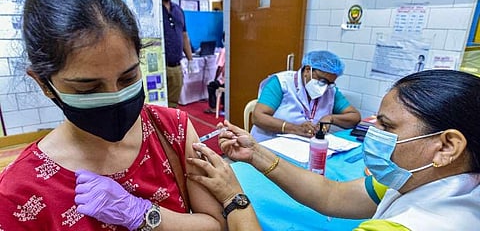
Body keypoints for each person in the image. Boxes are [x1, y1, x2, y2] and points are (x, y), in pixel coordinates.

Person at [0, 0, 226, 230]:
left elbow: (216, 225)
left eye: (128, 78)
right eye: (88, 88)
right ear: (44, 84)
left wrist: (143, 215)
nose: (115, 96)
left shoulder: (171, 130)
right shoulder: (20, 191)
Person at [188, 69, 480, 230]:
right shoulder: (419, 179)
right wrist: (255, 153)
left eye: (387, 126)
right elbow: (333, 195)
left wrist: (233, 198)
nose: (371, 131)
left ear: (447, 146)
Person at [250, 50, 361, 142]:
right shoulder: (281, 82)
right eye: (322, 80)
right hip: (269, 144)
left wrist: (331, 118)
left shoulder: (330, 91)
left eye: (329, 83)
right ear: (308, 70)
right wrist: (294, 129)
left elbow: (354, 117)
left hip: (303, 147)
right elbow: (257, 117)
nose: (324, 87)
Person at [162, 0, 195, 108]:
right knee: (157, 107)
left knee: (172, 107)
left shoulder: (178, 10)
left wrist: (190, 60)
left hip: (176, 67)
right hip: (158, 68)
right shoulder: (152, 8)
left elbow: (184, 35)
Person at [204, 45, 226, 114]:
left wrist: (215, 78)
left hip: (225, 81)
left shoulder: (224, 50)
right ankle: (224, 106)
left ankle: (213, 108)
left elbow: (219, 67)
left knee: (211, 86)